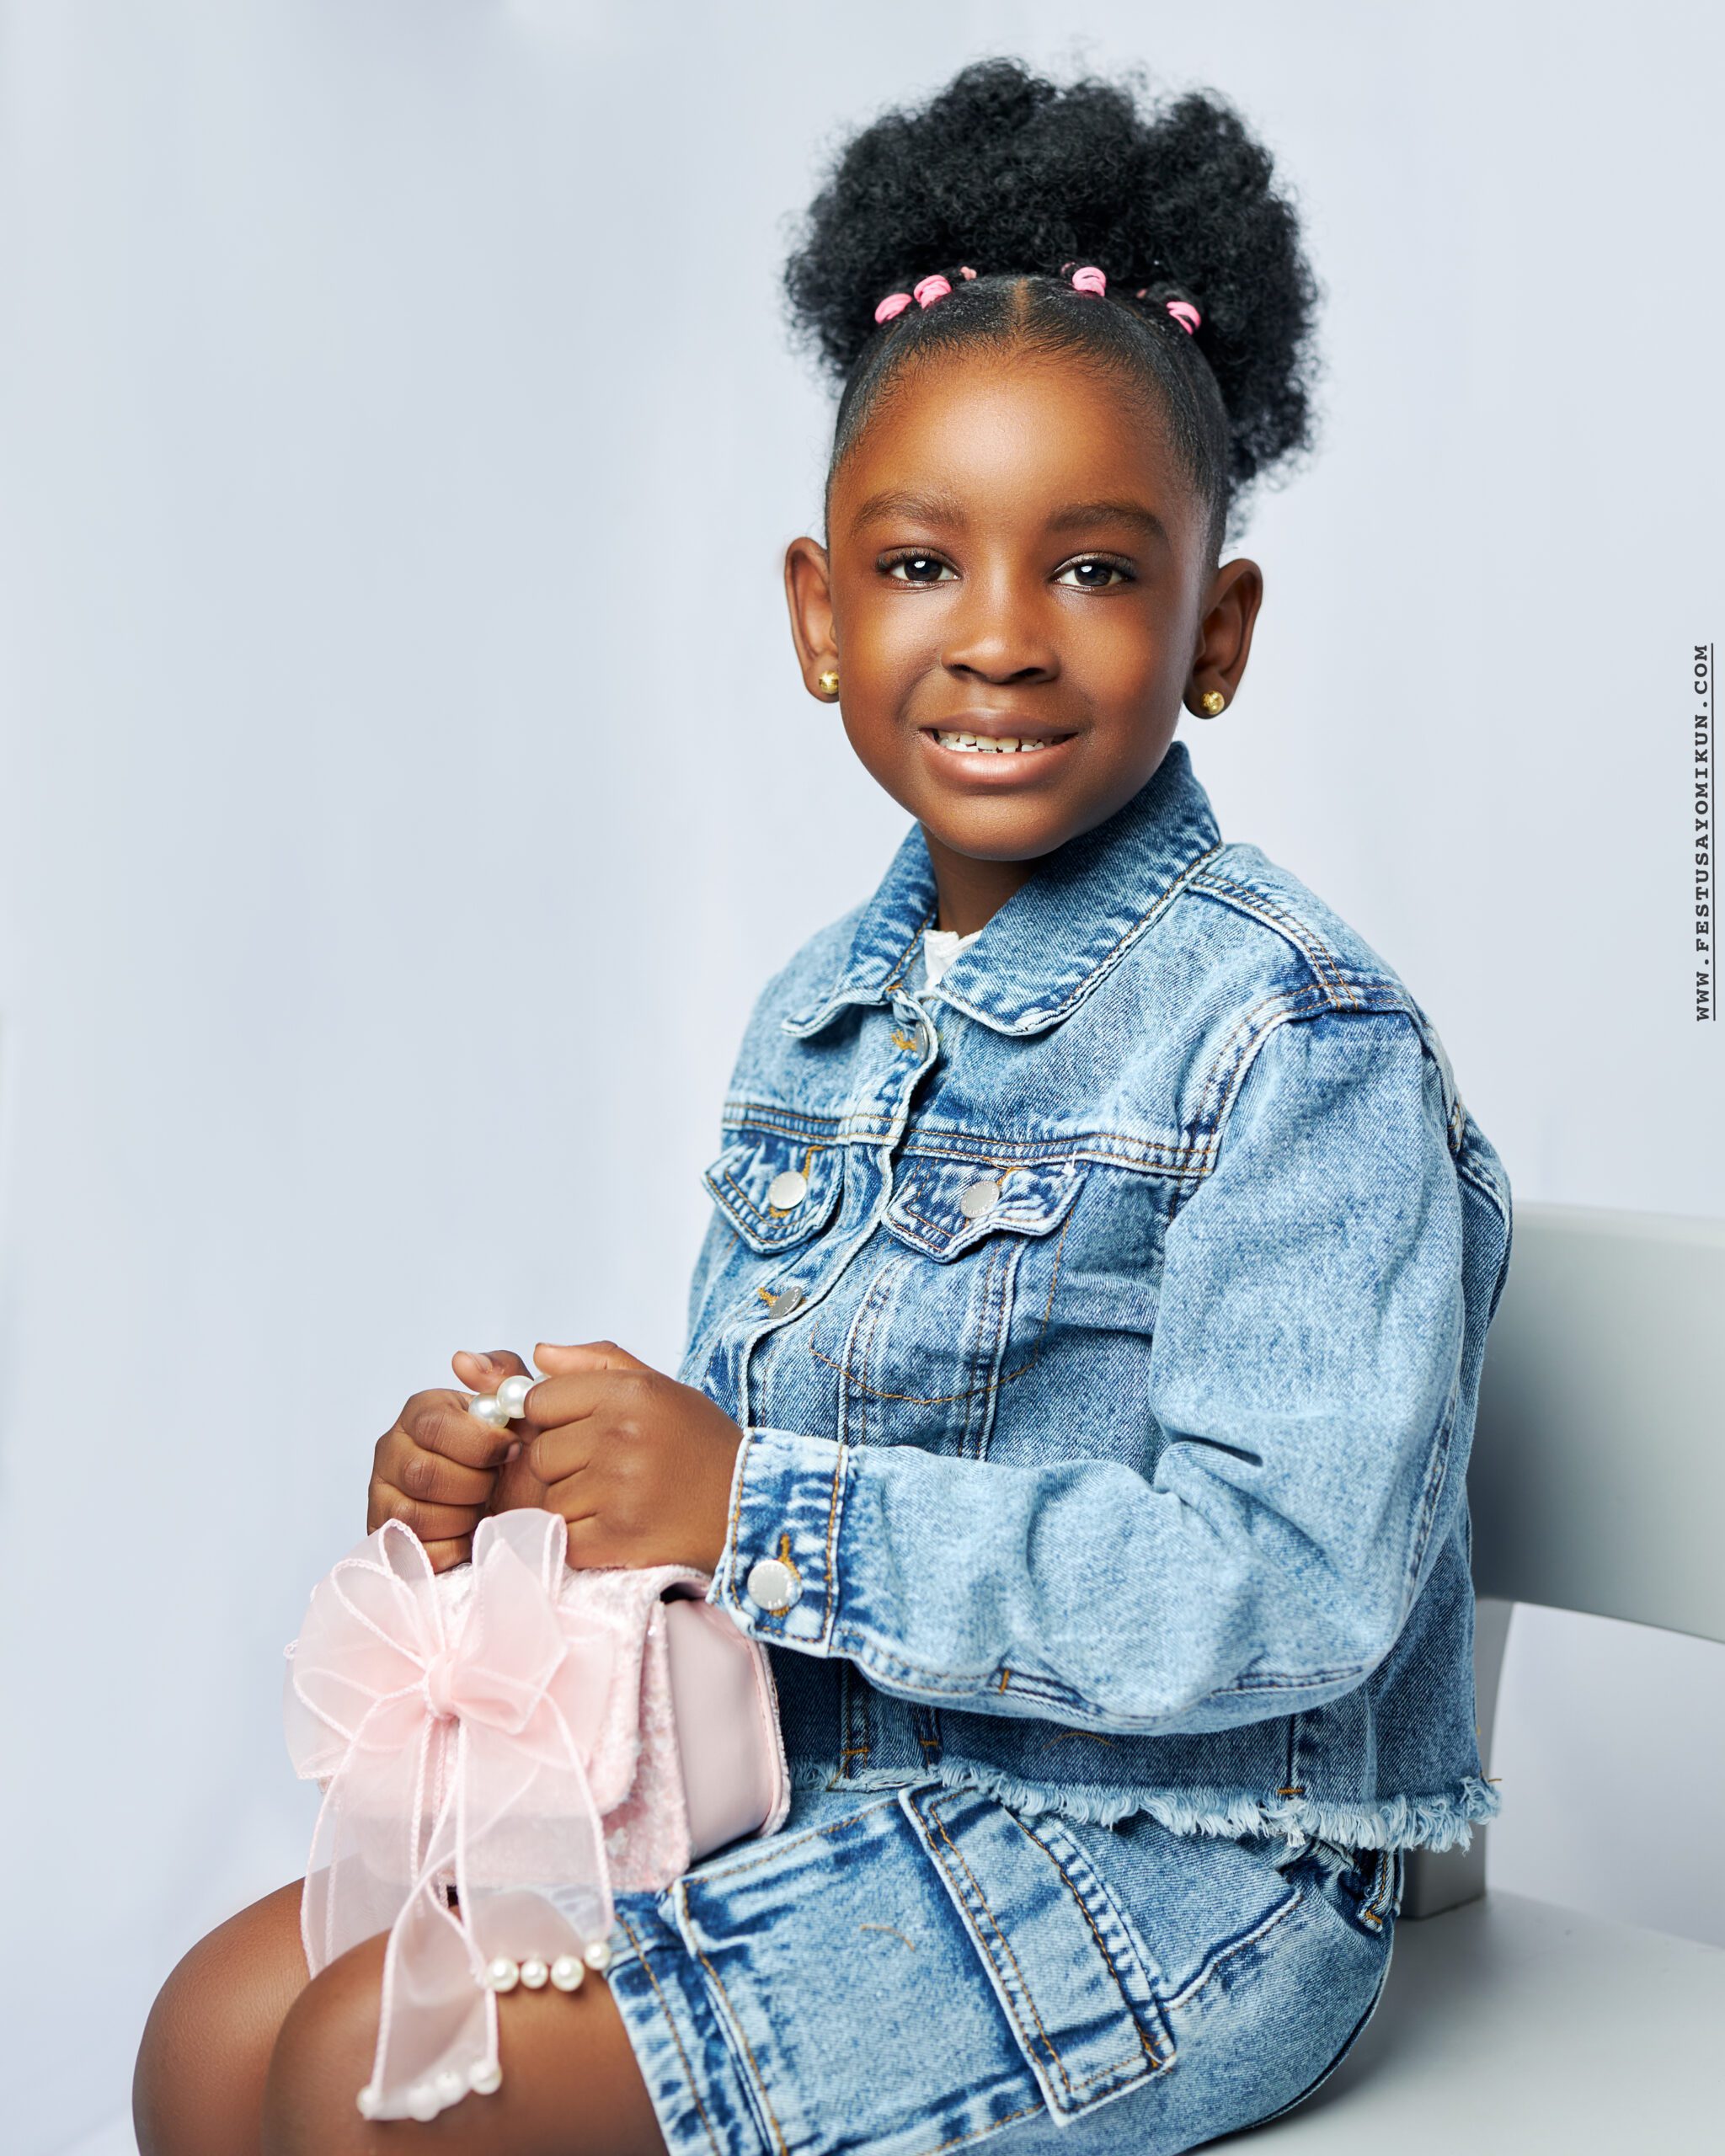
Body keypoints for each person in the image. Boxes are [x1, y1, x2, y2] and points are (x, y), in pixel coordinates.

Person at [133, 54, 1514, 2156]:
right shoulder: (821, 1013)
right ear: (818, 612)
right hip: (814, 1777)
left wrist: (753, 1503)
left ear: (1214, 629)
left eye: (1093, 570)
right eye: (921, 562)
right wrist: (539, 1497)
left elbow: (1293, 1584)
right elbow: (740, 1483)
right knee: (216, 2038)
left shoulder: (1295, 1036)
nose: (999, 638)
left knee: (368, 2081)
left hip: (1177, 1863)